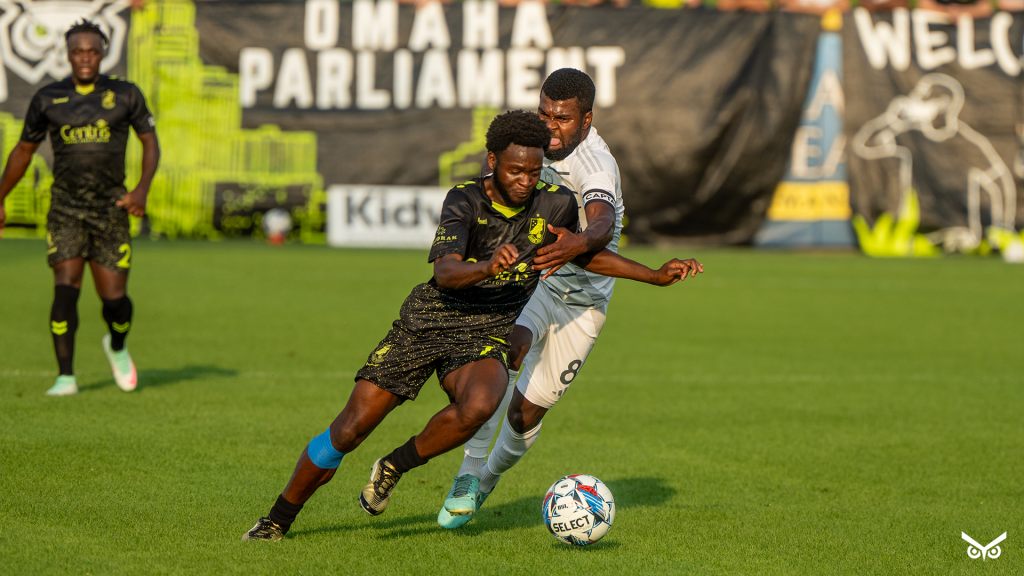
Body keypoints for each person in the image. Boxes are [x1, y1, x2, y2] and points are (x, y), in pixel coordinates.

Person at [242, 110, 698, 541]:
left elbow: (585, 252)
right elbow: (445, 272)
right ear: (493, 161)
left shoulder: (554, 203)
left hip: (487, 331)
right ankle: (277, 519)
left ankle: (395, 465)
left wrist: (654, 276)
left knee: (481, 403)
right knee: (349, 430)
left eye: (534, 171)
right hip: (430, 320)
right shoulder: (465, 198)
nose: (525, 181)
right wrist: (486, 268)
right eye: (516, 171)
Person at [437, 68, 703, 528]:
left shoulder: (596, 165)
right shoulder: (533, 148)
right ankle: (468, 472)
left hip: (583, 306)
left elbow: (598, 226)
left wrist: (579, 244)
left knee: (523, 416)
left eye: (561, 118)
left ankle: (487, 480)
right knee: (503, 356)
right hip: (536, 283)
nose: (549, 126)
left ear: (586, 119)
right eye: (544, 114)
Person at [0, 20, 160, 396]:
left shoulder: (125, 94)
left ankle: (117, 346)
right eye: (77, 51)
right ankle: (66, 376)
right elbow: (23, 152)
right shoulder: (47, 98)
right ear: (67, 54)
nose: (85, 57)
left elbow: (150, 143)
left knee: (115, 302)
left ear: (102, 52)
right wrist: (0, 197)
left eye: (92, 51)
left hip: (111, 209)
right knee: (65, 289)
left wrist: (141, 191)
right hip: (66, 209)